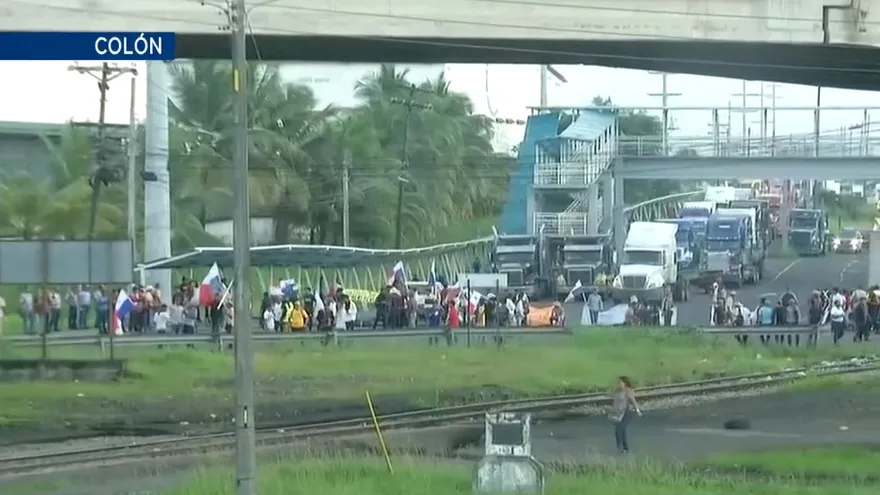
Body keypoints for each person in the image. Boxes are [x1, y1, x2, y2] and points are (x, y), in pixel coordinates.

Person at [609, 376, 642, 454]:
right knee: (617, 431)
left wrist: (637, 410)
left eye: (620, 382)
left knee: (622, 429)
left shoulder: (627, 391)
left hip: (625, 413)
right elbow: (614, 402)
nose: (619, 384)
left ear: (625, 383)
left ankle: (625, 448)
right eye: (618, 382)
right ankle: (619, 446)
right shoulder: (616, 392)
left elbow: (632, 400)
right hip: (617, 413)